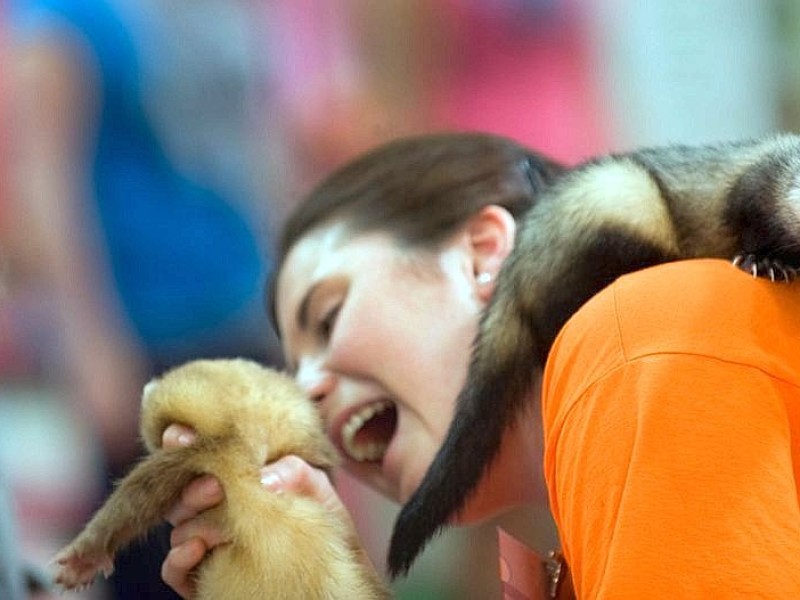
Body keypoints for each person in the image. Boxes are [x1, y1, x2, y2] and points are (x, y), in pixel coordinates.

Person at [160, 132, 800, 598]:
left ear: (484, 254)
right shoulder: (563, 541)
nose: (306, 389)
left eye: (329, 318)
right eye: (292, 364)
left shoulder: (643, 344)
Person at [9, 1, 283, 597]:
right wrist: (88, 342)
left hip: (240, 296)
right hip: (144, 329)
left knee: (261, 548)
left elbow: (256, 138)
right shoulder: (66, 18)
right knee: (163, 562)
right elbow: (47, 183)